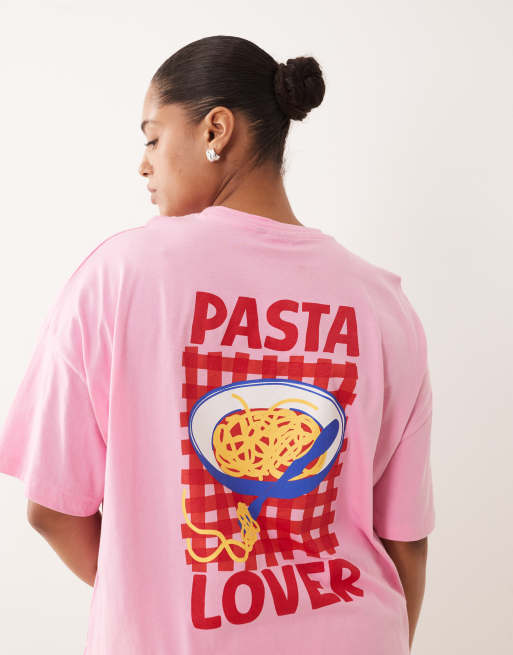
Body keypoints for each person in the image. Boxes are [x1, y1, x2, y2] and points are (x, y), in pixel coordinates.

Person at [0, 35, 435, 655]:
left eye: (153, 139)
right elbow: (406, 541)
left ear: (216, 130)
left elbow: (52, 508)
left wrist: (157, 596)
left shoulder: (119, 276)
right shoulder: (385, 305)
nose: (143, 165)